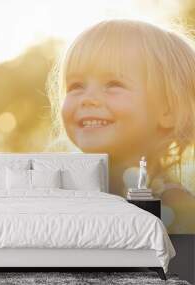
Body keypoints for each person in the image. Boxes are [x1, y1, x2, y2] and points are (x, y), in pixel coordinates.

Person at [47, 19, 195, 233]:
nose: (88, 99)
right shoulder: (62, 194)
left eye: (113, 84)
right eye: (76, 86)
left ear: (168, 111)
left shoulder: (178, 210)